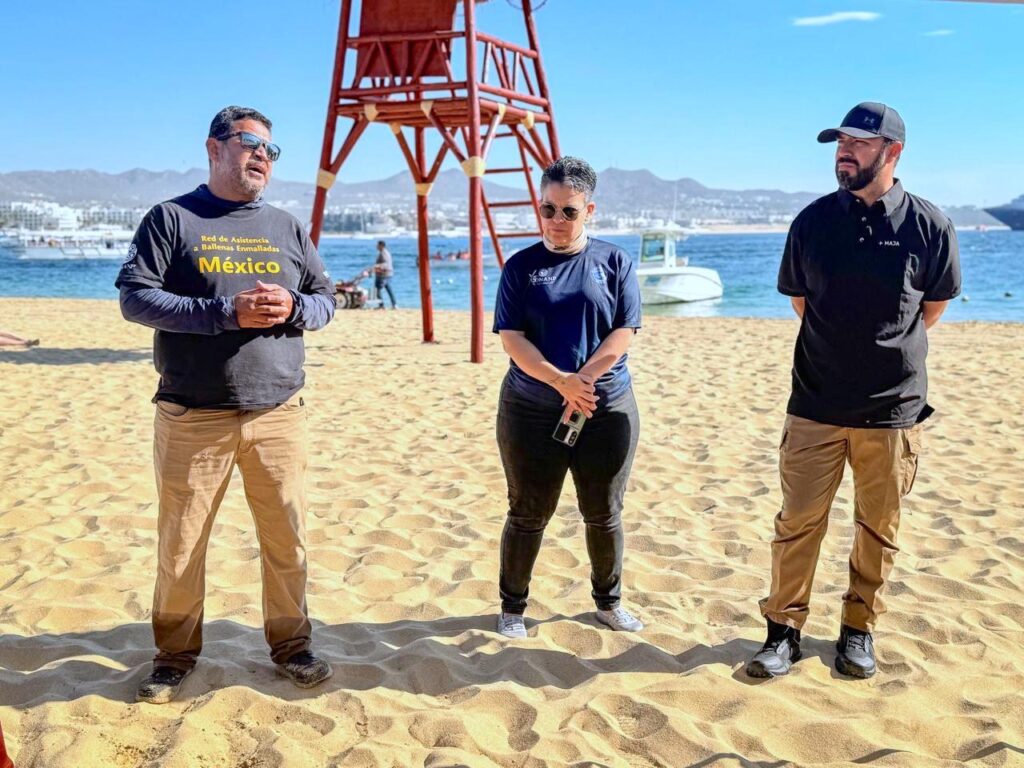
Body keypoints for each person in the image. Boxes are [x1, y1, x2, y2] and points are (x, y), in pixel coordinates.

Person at [115, 105, 337, 704]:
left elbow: (325, 300)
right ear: (214, 148)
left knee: (286, 540)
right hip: (192, 414)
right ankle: (173, 656)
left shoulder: (287, 226)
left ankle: (293, 647)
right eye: (249, 142)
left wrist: (294, 307)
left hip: (278, 413)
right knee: (181, 545)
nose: (262, 155)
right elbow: (136, 299)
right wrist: (224, 313)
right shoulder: (172, 219)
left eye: (270, 149)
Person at [747, 103, 961, 679]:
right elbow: (801, 302)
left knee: (877, 529)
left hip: (893, 409)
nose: (844, 152)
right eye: (840, 142)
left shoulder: (929, 225)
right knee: (797, 522)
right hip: (815, 403)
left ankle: (858, 630)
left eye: (859, 143)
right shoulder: (812, 222)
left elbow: (932, 307)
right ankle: (783, 632)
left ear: (893, 152)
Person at [492, 156, 643, 638]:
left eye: (569, 211)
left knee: (604, 512)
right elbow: (512, 339)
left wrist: (584, 381)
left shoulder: (614, 261)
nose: (556, 221)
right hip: (531, 409)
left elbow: (624, 331)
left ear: (589, 210)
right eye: (548, 209)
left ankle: (609, 603)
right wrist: (561, 382)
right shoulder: (520, 267)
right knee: (528, 511)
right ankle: (513, 608)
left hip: (605, 407)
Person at [373, 240, 397, 309]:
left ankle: (381, 305)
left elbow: (386, 264)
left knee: (377, 289)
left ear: (381, 246)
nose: (376, 246)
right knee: (389, 289)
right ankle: (394, 304)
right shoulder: (385, 252)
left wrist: (376, 266)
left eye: (377, 245)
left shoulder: (383, 253)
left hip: (383, 275)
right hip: (388, 274)